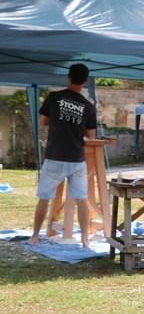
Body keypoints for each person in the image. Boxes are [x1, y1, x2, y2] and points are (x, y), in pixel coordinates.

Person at [30, 63, 98, 248]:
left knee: (44, 197)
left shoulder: (54, 97)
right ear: (85, 81)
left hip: (55, 156)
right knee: (81, 198)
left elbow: (43, 122)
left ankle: (35, 236)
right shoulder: (88, 106)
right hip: (76, 158)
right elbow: (91, 136)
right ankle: (84, 240)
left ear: (68, 77)